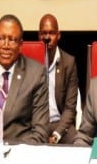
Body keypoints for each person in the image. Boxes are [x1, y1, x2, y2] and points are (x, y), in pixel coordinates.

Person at [0, 14, 50, 144]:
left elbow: (41, 132)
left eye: (11, 40)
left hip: (19, 154)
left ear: (20, 45)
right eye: (1, 38)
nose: (5, 45)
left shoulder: (36, 75)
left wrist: (9, 151)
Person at [38, 14, 78, 144]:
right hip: (37, 124)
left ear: (58, 36)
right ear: (39, 36)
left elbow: (70, 108)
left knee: (77, 143)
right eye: (43, 33)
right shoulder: (32, 61)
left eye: (51, 33)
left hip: (59, 123)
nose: (47, 37)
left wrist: (57, 134)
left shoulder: (68, 63)